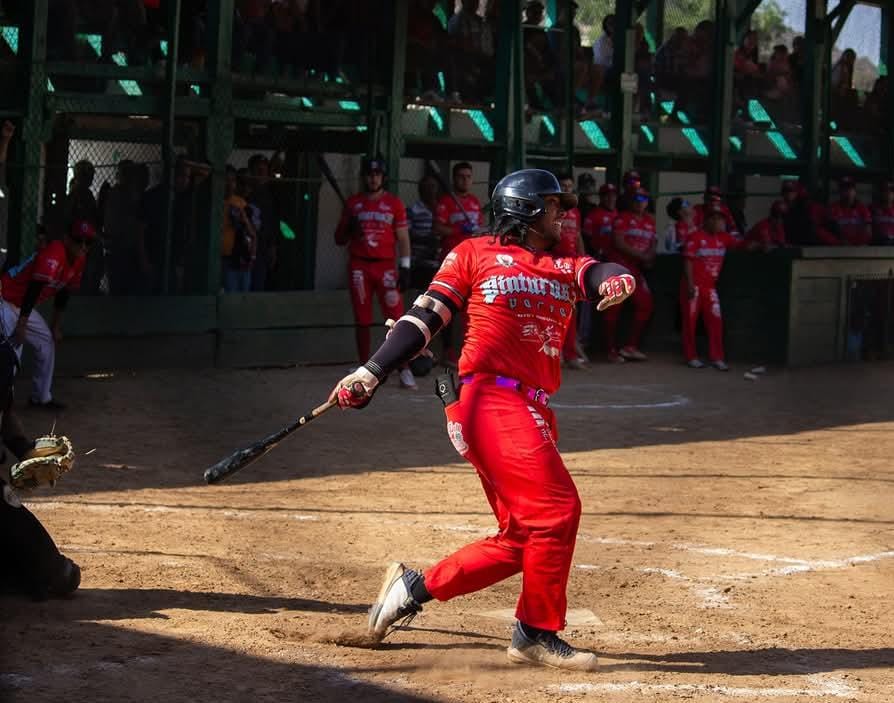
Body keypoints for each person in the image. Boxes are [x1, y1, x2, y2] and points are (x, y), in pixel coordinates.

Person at [328, 169, 634, 671]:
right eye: (556, 206)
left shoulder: (563, 264)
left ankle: (413, 589)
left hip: (532, 407)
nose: (565, 214)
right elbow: (422, 320)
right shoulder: (473, 253)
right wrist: (371, 371)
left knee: (524, 538)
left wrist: (618, 279)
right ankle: (535, 632)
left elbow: (597, 272)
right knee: (557, 511)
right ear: (528, 210)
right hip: (490, 399)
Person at [0, 331, 80, 600]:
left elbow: (6, 412)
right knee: (57, 576)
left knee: (60, 576)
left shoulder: (3, 353)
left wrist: (25, 451)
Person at [334, 157, 416, 389]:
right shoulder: (353, 204)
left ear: (383, 177)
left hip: (386, 266)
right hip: (360, 265)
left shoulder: (394, 204)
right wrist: (349, 225)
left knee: (398, 318)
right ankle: (363, 366)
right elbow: (339, 239)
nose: (373, 178)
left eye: (377, 174)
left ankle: (403, 368)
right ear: (364, 177)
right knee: (362, 319)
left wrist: (406, 266)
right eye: (369, 174)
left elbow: (403, 238)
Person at [0, 220, 96, 410]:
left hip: (20, 306)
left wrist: (55, 326)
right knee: (11, 352)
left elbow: (64, 293)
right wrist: (21, 325)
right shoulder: (55, 252)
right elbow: (33, 289)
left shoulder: (79, 259)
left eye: (88, 242)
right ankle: (4, 404)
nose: (83, 246)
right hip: (5, 298)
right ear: (67, 239)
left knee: (46, 341)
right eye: (79, 240)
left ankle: (41, 397)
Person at [681, 205, 752, 370]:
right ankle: (691, 356)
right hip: (693, 286)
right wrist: (690, 285)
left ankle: (717, 357)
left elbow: (742, 245)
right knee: (690, 322)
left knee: (716, 321)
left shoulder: (724, 238)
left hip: (710, 287)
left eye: (721, 218)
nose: (720, 222)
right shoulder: (695, 237)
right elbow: (688, 262)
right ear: (708, 220)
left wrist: (758, 244)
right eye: (717, 218)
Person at [433, 162, 483, 365]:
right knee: (449, 310)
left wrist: (475, 231)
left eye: (468, 176)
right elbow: (437, 228)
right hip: (451, 261)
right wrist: (457, 229)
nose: (465, 180)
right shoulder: (445, 202)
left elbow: (479, 228)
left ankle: (468, 354)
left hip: (473, 261)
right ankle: (448, 353)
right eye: (461, 176)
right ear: (454, 179)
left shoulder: (474, 202)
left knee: (470, 311)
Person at [604, 187, 656, 363]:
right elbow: (619, 243)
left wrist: (650, 256)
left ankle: (630, 347)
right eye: (637, 199)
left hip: (635, 269)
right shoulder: (622, 218)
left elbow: (653, 242)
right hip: (618, 266)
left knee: (645, 304)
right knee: (613, 307)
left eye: (644, 199)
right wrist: (643, 256)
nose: (640, 202)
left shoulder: (650, 220)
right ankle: (610, 350)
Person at [554, 173, 588, 369]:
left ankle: (570, 354)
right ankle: (555, 352)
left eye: (569, 186)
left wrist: (582, 259)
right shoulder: (550, 209)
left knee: (571, 309)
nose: (567, 189)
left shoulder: (575, 211)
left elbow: (578, 235)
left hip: (572, 263)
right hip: (554, 263)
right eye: (563, 186)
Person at [220, 165, 257, 293]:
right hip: (221, 258)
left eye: (233, 180)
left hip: (240, 258)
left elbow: (252, 233)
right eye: (226, 180)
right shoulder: (213, 202)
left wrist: (252, 256)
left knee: (242, 295)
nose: (230, 184)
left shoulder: (241, 203)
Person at [407, 173, 442, 291]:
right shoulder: (413, 210)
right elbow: (406, 235)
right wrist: (425, 239)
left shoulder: (443, 208)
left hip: (439, 261)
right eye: (426, 187)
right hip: (419, 262)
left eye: (433, 186)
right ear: (420, 190)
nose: (430, 190)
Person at [827, 176, 872, 246]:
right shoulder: (833, 208)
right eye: (843, 189)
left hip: (859, 248)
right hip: (839, 248)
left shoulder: (862, 208)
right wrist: (840, 242)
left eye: (849, 189)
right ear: (839, 191)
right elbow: (831, 231)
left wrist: (859, 244)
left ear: (854, 191)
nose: (847, 192)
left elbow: (868, 230)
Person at [582, 183, 617, 259]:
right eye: (607, 196)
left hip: (617, 259)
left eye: (613, 196)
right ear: (601, 197)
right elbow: (586, 240)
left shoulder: (619, 214)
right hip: (600, 258)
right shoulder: (592, 216)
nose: (611, 198)